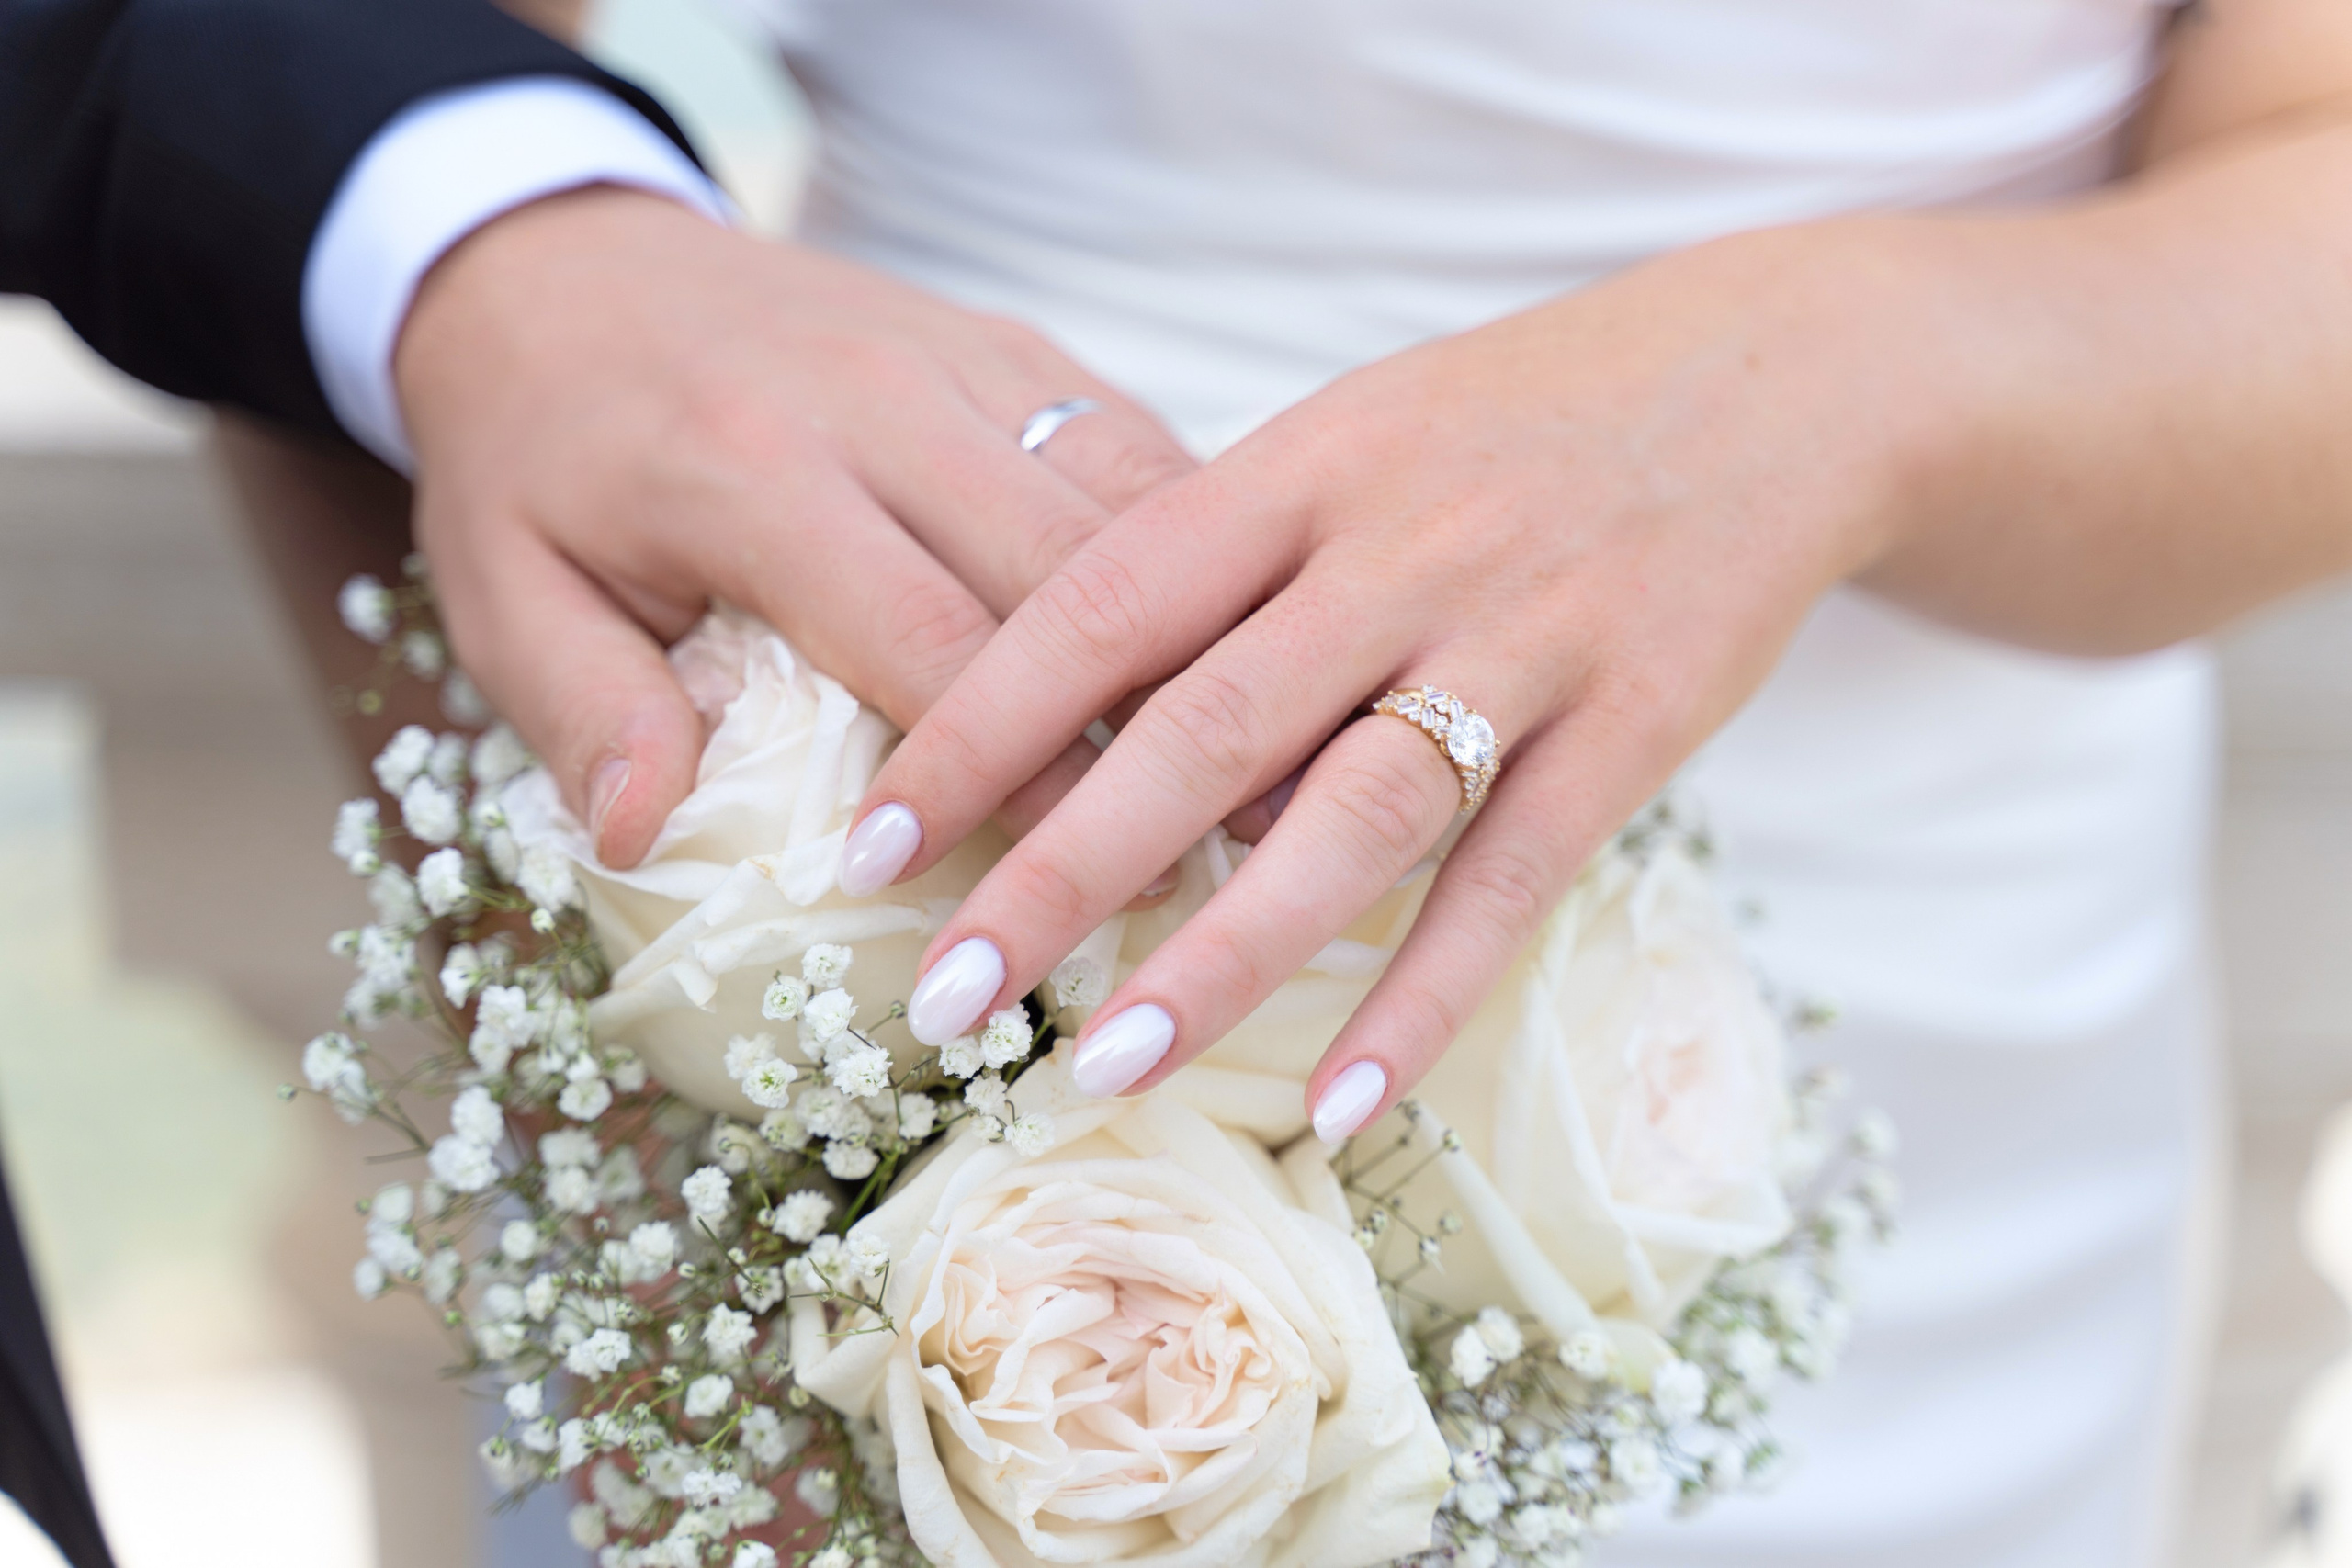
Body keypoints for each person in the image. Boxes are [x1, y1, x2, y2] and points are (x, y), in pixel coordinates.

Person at [6, 0, 2352, 1562]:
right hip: (877, 962)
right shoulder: (762, 1186)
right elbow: (362, 150)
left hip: (1901, 1033)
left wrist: (1837, 374)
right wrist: (658, 1112)